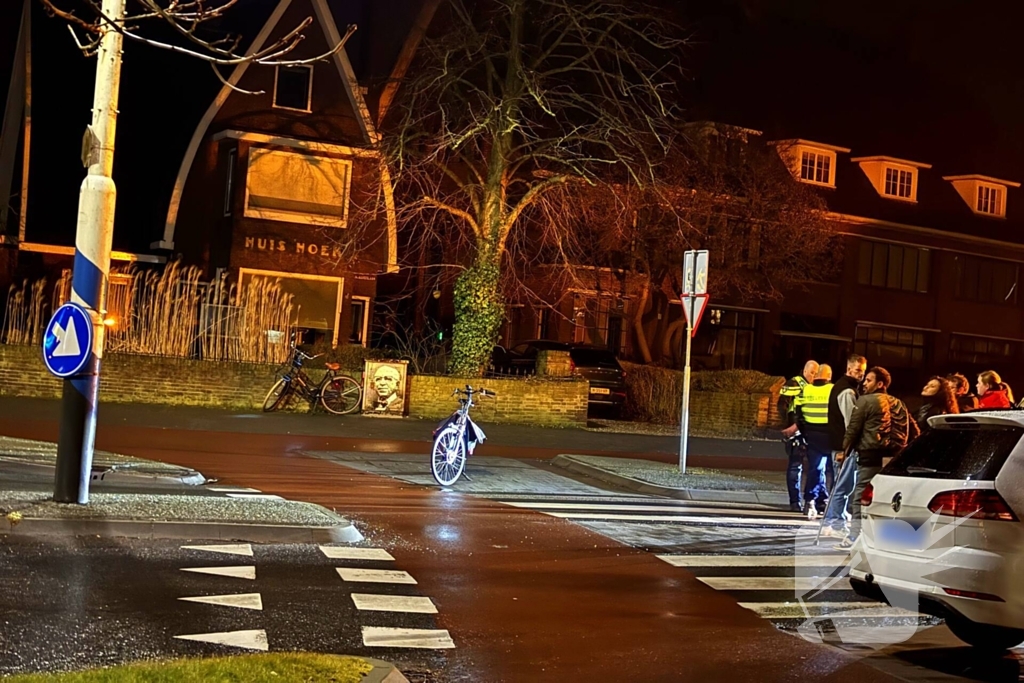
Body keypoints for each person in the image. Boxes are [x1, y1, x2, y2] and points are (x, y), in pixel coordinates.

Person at [838, 366, 919, 551]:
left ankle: (855, 535)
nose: (864, 384)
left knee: (860, 495)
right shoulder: (899, 403)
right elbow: (915, 430)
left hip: (871, 455)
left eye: (868, 380)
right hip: (895, 457)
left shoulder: (865, 401)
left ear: (880, 383)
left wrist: (845, 451)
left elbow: (853, 429)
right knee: (889, 499)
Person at [821, 354, 867, 537]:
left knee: (840, 485)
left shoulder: (841, 387)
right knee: (843, 486)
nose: (860, 375)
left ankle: (833, 519)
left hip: (838, 444)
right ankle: (836, 524)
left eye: (862, 372)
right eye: (857, 371)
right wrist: (851, 446)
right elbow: (851, 423)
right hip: (844, 447)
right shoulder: (847, 391)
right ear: (849, 369)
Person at [794, 364, 834, 519]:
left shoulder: (806, 389)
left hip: (811, 435)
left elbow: (798, 411)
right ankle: (830, 504)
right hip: (830, 435)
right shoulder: (832, 389)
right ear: (829, 376)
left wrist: (803, 433)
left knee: (815, 469)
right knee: (835, 472)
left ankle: (810, 501)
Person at [779, 360, 819, 513]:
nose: (814, 376)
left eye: (816, 373)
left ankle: (812, 501)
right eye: (811, 373)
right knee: (796, 466)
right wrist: (787, 426)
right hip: (796, 431)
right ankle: (795, 502)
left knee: (816, 467)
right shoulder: (795, 383)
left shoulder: (816, 388)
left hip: (811, 430)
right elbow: (782, 405)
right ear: (804, 371)